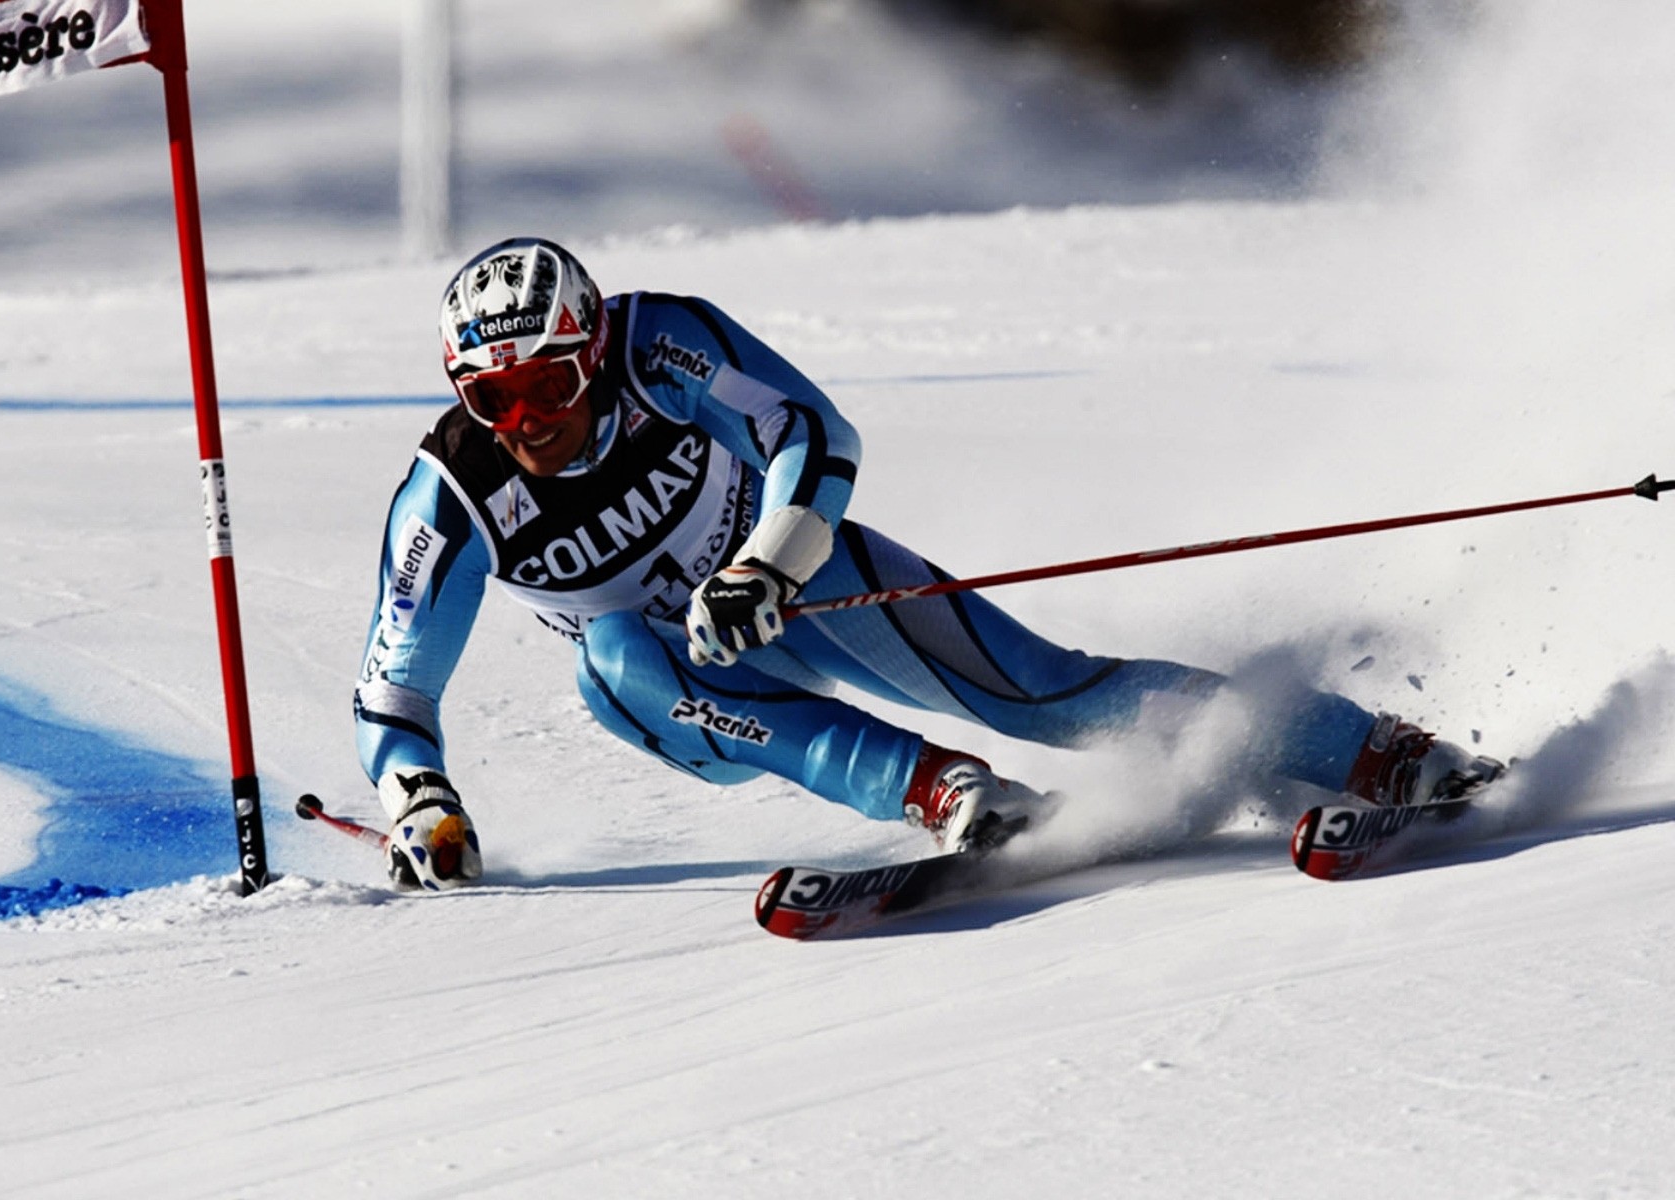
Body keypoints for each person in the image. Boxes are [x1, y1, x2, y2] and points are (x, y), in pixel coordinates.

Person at [355, 237, 1501, 891]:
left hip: (791, 584)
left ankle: (1377, 751)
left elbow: (810, 432)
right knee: (611, 661)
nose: (525, 419)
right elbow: (393, 688)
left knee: (1052, 693)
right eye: (489, 396)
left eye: (548, 385)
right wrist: (423, 804)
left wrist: (768, 564)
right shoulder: (452, 496)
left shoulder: (662, 341)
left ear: (592, 354)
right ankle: (941, 792)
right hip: (690, 689)